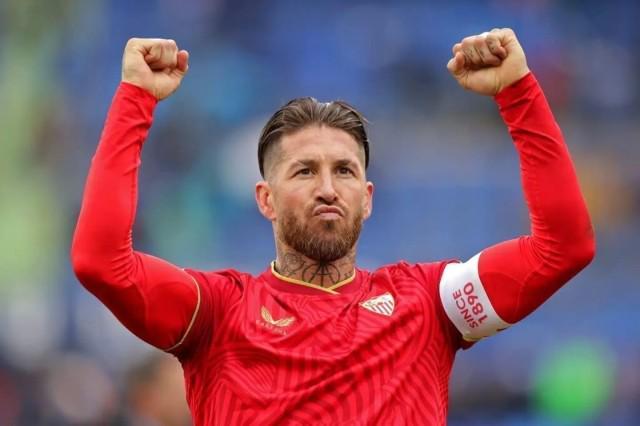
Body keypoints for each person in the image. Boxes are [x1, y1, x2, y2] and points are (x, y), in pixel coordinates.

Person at [71, 28, 595, 425]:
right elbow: (101, 262)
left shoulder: (431, 305)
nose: (328, 188)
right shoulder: (216, 314)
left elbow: (563, 248)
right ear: (265, 199)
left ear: (367, 199)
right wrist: (135, 99)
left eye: (344, 171)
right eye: (304, 171)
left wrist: (519, 94)